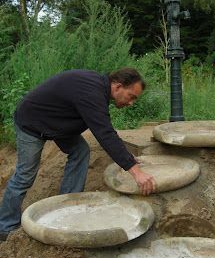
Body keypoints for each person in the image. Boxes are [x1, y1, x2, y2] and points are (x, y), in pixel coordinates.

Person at [0, 67, 156, 241]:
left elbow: (106, 131)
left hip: (57, 123)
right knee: (25, 175)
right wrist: (135, 171)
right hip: (32, 122)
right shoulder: (91, 92)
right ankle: (6, 226)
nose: (131, 103)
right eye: (131, 96)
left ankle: (67, 207)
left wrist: (127, 158)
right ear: (118, 86)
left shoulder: (98, 89)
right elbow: (105, 133)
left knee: (80, 151)